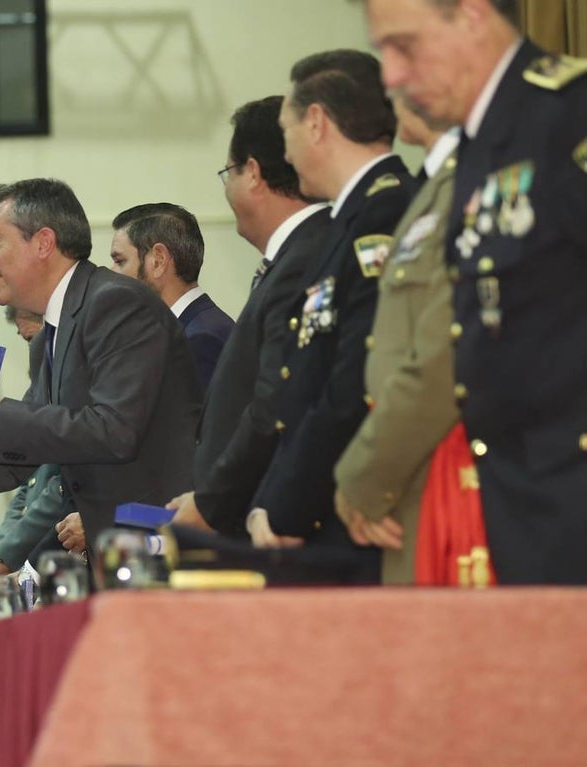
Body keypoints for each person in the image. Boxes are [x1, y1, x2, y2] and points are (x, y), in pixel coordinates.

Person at [366, 0, 587, 582]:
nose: (390, 75)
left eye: (404, 46)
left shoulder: (569, 117)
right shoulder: (480, 147)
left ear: (471, 15)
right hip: (516, 510)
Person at [0, 178, 201, 561]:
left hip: (160, 549)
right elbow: (23, 451)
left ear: (43, 243)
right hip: (118, 551)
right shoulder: (53, 332)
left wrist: (2, 417)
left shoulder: (116, 303)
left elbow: (115, 431)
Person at [246, 51, 414, 581]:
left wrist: (286, 504)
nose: (286, 151)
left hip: (356, 515)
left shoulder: (384, 214)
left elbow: (355, 380)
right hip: (326, 506)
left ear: (316, 122)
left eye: (287, 130)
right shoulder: (350, 219)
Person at [165, 96, 332, 538]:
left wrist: (213, 502)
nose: (227, 190)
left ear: (253, 172)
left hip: (274, 520)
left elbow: (275, 400)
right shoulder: (295, 256)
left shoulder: (306, 258)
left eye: (228, 174)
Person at [333, 96, 463, 584]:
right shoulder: (431, 186)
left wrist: (363, 476)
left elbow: (441, 357)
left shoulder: (468, 182)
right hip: (411, 481)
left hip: (447, 476)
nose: (393, 82)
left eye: (405, 59)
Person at [0, 308, 71, 576]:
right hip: (33, 555)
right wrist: (3, 549)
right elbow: (27, 484)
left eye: (34, 340)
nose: (34, 352)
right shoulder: (42, 389)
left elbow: (63, 486)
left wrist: (8, 554)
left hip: (62, 551)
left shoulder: (70, 392)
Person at [109, 203, 235, 391]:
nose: (111, 273)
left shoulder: (199, 340)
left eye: (120, 261)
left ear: (158, 260)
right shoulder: (188, 329)